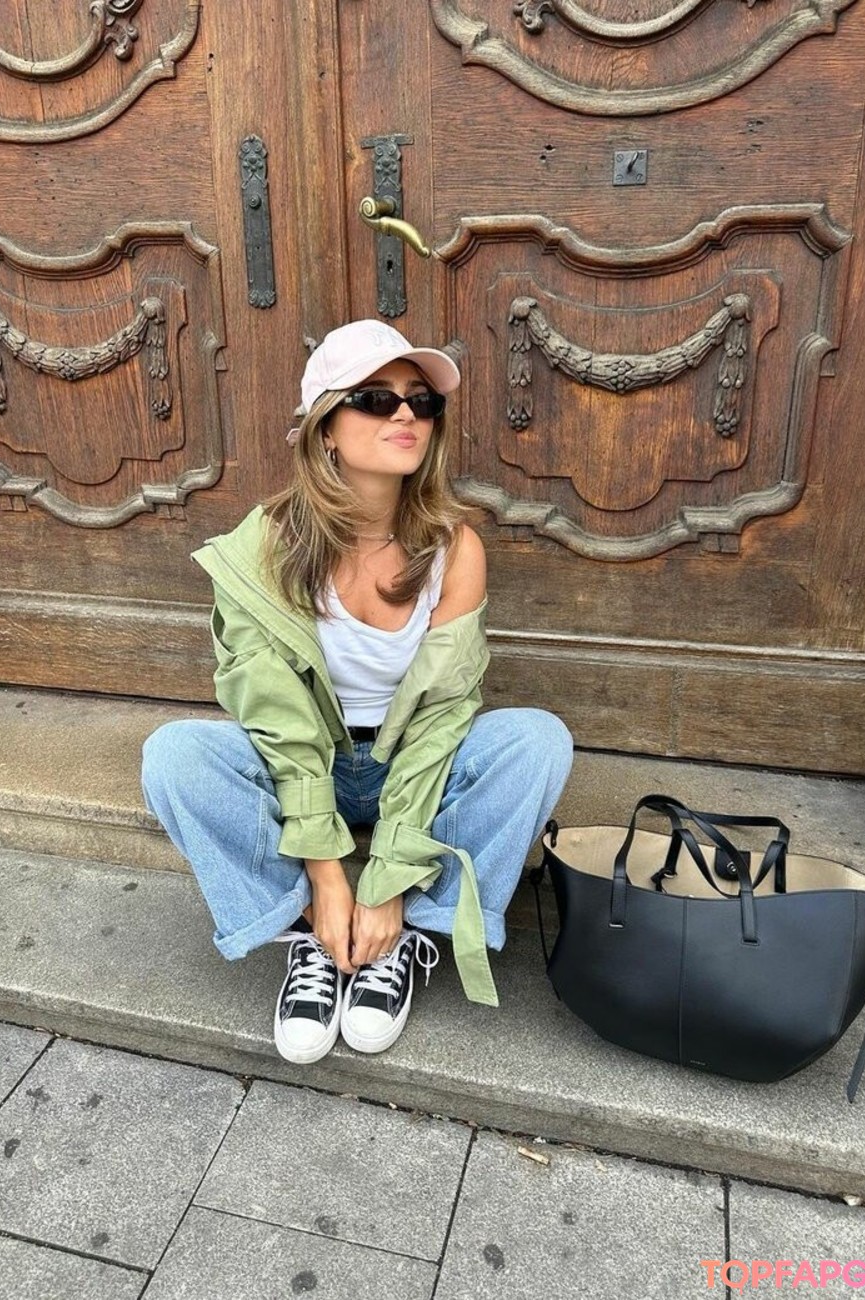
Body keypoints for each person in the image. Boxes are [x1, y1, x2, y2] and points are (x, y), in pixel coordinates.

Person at [141, 320, 573, 1065]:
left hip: (414, 765)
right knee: (174, 757)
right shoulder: (267, 544)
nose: (406, 414)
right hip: (304, 764)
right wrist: (326, 880)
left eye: (421, 401)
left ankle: (400, 939)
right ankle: (309, 934)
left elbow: (441, 717)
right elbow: (276, 720)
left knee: (537, 741)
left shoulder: (454, 549)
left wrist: (387, 884)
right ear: (325, 428)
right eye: (376, 398)